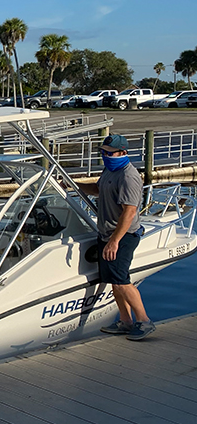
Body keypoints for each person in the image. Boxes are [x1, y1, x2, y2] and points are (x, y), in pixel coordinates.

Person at [72, 134, 154, 341]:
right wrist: (74, 185)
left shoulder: (129, 177)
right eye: (103, 153)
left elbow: (129, 212)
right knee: (113, 281)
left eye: (110, 153)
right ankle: (126, 321)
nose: (106, 156)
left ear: (123, 153)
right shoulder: (109, 169)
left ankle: (144, 320)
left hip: (123, 236)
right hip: (106, 233)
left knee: (121, 281)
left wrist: (114, 241)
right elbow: (98, 189)